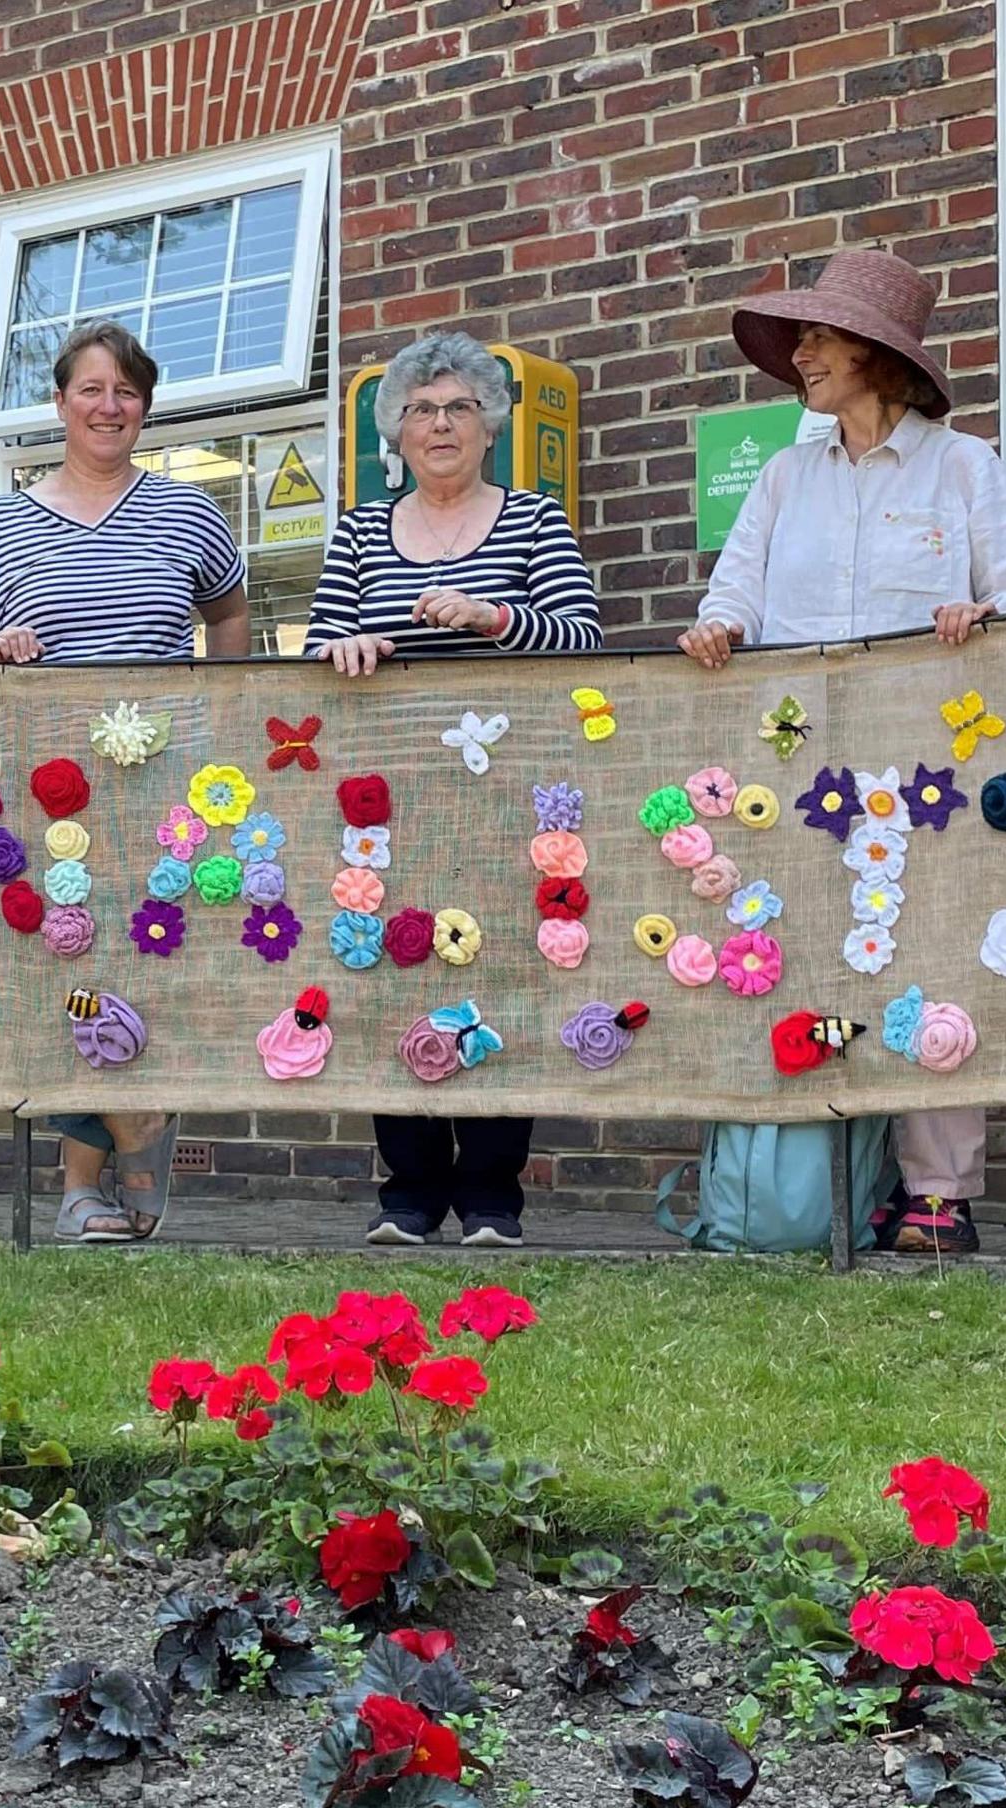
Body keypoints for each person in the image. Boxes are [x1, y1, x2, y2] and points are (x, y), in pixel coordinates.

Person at [678, 249, 1006, 1256]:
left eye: (819, 335)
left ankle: (939, 1193)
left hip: (930, 766)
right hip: (800, 766)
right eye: (798, 338)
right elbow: (736, 590)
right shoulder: (789, 475)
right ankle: (831, 1180)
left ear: (879, 356)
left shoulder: (967, 467)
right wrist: (719, 629)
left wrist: (988, 611)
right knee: (806, 958)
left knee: (928, 962)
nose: (801, 353)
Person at [0, 322, 248, 1242]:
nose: (109, 407)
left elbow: (229, 617)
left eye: (127, 392)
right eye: (91, 389)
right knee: (69, 963)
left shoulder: (191, 513)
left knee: (144, 961)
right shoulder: (4, 522)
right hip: (48, 789)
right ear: (60, 402)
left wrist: (214, 715)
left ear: (145, 408)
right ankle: (126, 1139)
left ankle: (99, 1171)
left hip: (160, 785)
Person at [307, 328, 600, 1247]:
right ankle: (408, 1191)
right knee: (389, 965)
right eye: (422, 410)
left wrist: (495, 616)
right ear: (395, 431)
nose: (440, 424)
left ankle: (490, 1195)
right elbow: (314, 651)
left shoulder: (533, 519)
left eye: (460, 408)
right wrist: (341, 649)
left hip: (504, 794)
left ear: (489, 426)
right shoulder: (359, 529)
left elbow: (582, 637)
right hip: (386, 802)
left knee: (500, 970)